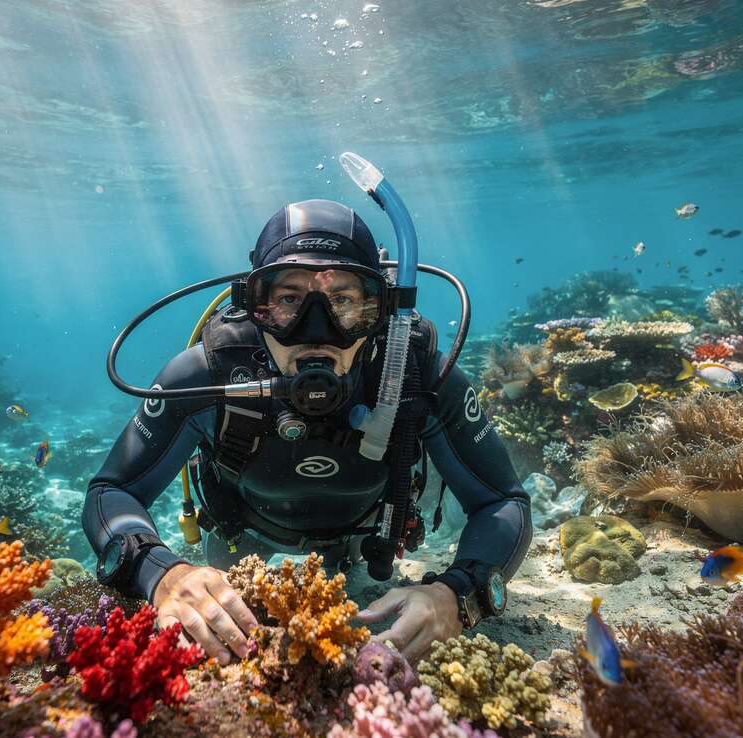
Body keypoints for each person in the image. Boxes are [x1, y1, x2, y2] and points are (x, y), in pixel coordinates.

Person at [83, 198, 531, 665]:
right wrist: (163, 573)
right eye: (289, 301)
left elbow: (503, 502)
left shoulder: (417, 374)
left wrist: (457, 596)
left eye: (343, 301)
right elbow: (112, 490)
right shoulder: (207, 374)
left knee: (357, 572)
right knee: (224, 574)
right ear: (254, 307)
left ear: (379, 311)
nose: (315, 331)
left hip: (364, 539)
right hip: (244, 530)